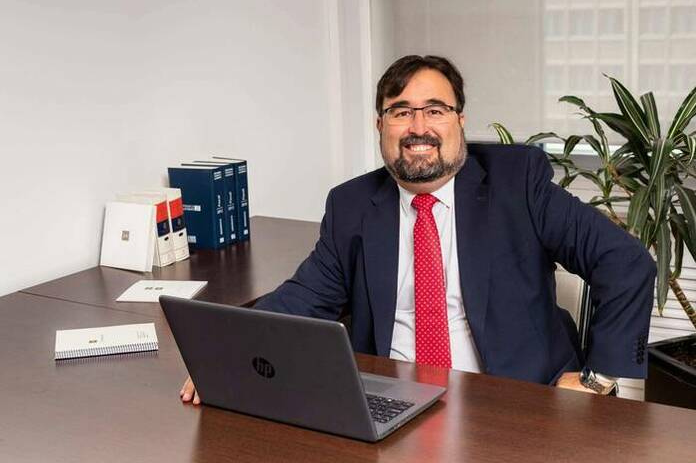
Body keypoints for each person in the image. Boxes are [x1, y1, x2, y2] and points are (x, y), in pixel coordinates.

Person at [181, 55, 656, 404]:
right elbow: (305, 297)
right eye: (401, 111)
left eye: (435, 109)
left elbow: (626, 262)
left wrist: (596, 379)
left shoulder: (517, 184)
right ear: (380, 125)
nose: (418, 126)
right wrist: (225, 357)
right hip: (392, 400)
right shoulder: (351, 205)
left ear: (459, 121)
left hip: (514, 401)